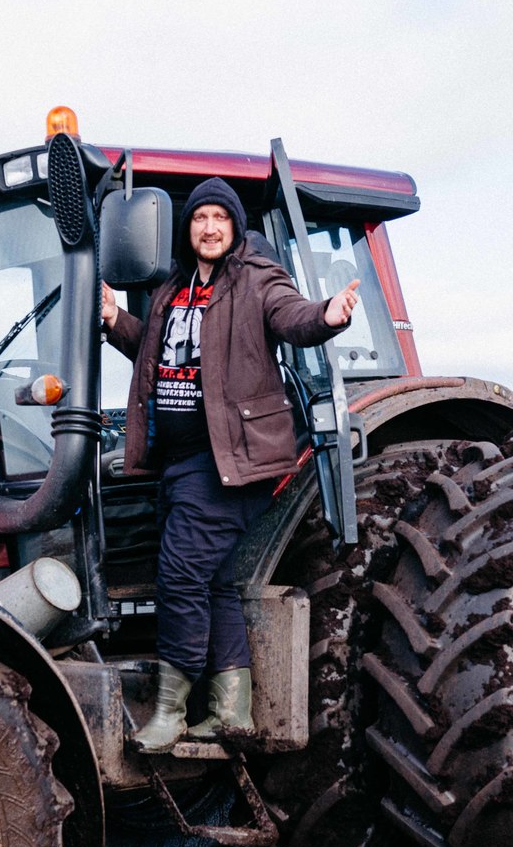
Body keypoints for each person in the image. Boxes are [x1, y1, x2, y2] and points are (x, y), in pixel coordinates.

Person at [103, 177, 361, 752]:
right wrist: (114, 319)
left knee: (179, 576)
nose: (211, 227)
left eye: (221, 218)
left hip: (229, 463)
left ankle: (169, 713)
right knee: (216, 582)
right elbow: (157, 354)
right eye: (200, 218)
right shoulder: (174, 288)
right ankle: (231, 711)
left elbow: (292, 317)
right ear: (187, 229)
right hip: (179, 462)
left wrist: (328, 316)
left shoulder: (256, 280)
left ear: (235, 227)